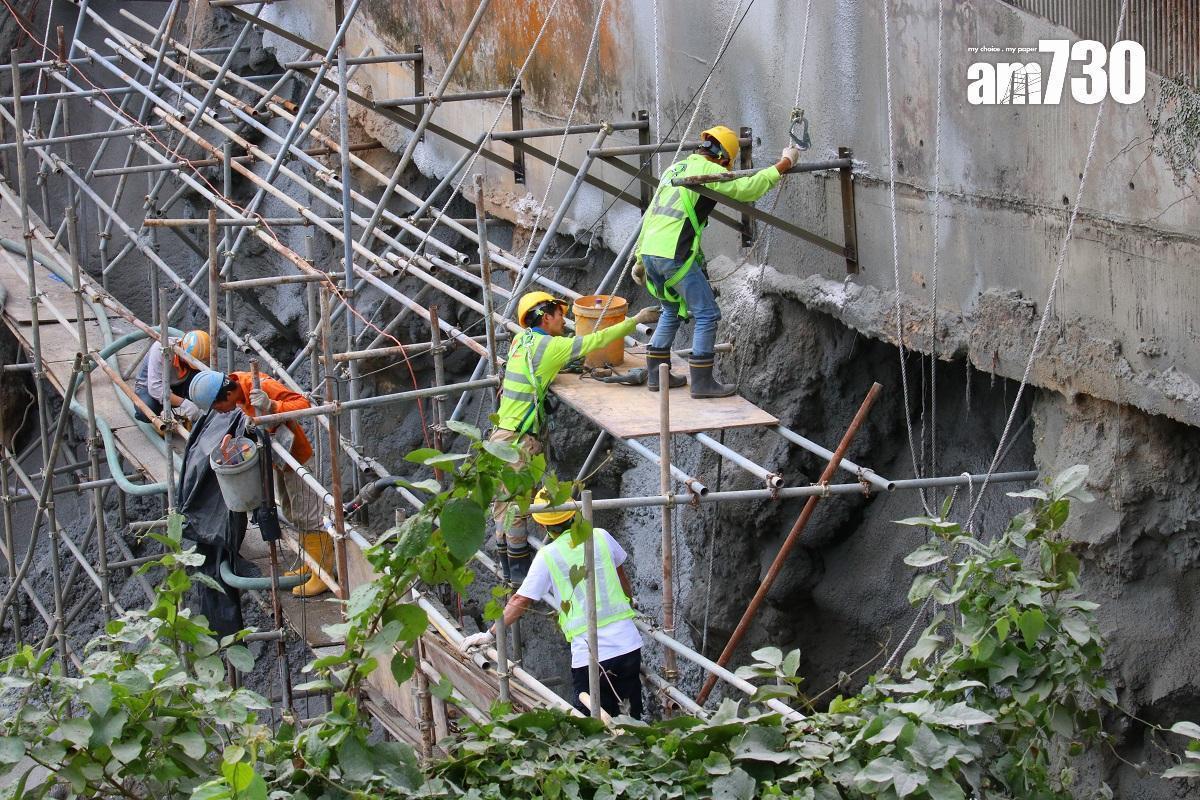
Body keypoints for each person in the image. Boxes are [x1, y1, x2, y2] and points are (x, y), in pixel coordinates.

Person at [489, 291, 661, 584]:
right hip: (519, 440)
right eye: (559, 314)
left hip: (501, 436)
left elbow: (544, 368)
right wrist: (635, 320)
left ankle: (508, 567)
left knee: (503, 503)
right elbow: (595, 341)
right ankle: (519, 576)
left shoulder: (521, 340)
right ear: (546, 317)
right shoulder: (551, 346)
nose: (564, 319)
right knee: (518, 507)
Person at [634, 125, 802, 398]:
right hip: (673, 255)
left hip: (651, 253)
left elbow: (651, 213)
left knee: (671, 310)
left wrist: (639, 256)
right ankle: (701, 383)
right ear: (724, 156)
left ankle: (656, 375)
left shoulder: (674, 169)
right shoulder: (709, 171)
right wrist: (784, 163)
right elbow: (748, 189)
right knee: (707, 313)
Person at [460, 489, 643, 719]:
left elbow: (520, 600)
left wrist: (490, 634)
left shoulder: (548, 555)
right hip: (628, 645)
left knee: (592, 726)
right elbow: (621, 578)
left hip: (590, 655)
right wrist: (630, 601)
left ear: (545, 527)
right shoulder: (601, 536)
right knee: (630, 718)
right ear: (574, 515)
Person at [188, 370, 330, 597]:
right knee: (294, 513)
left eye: (217, 407)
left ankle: (324, 574)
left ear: (225, 395)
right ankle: (312, 564)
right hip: (279, 460)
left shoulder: (259, 386)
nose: (220, 412)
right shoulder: (240, 394)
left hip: (296, 458)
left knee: (309, 514)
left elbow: (303, 403)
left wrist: (272, 405)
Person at [133, 330, 209, 425]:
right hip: (149, 388)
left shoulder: (200, 355)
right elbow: (155, 388)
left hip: (179, 384)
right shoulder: (162, 348)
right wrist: (185, 404)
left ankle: (197, 423)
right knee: (146, 410)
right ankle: (159, 419)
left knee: (203, 382)